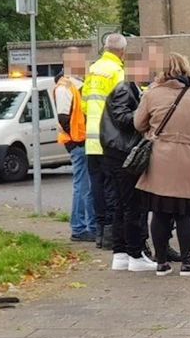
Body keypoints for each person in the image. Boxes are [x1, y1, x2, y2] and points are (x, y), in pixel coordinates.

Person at [134, 53, 190, 276]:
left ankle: (161, 263)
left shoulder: (152, 95)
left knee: (159, 213)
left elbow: (138, 123)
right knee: (184, 214)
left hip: (160, 159)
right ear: (186, 69)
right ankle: (187, 263)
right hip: (188, 160)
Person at [100, 50, 156, 272]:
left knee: (122, 205)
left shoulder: (127, 88)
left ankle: (121, 252)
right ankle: (135, 254)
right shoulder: (125, 89)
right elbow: (124, 118)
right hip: (123, 153)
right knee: (133, 205)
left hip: (115, 152)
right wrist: (144, 112)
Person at [82, 34, 127, 250]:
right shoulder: (117, 71)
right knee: (112, 187)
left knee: (96, 186)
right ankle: (110, 233)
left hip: (91, 138)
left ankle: (99, 231)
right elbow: (122, 104)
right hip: (109, 137)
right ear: (122, 51)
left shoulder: (93, 69)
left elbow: (84, 104)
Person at [54, 48, 95, 242]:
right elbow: (63, 117)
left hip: (83, 140)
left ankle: (87, 225)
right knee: (83, 186)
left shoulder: (76, 84)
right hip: (79, 142)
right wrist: (75, 139)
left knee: (86, 185)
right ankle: (79, 227)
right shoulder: (66, 86)